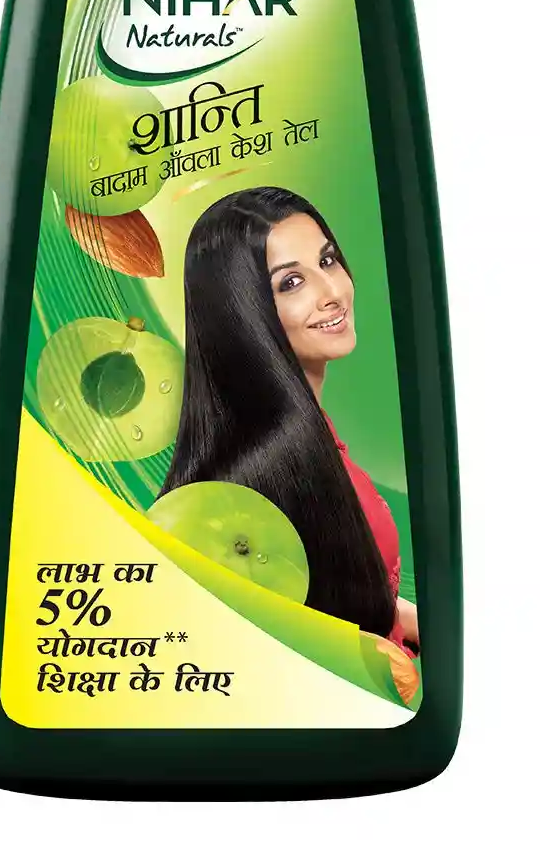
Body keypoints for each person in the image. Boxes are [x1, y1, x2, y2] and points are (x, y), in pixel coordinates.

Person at [162, 186, 419, 652]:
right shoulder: (259, 483)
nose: (332, 293)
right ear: (241, 311)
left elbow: (356, 598)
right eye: (291, 282)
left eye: (327, 261)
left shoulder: (308, 431)